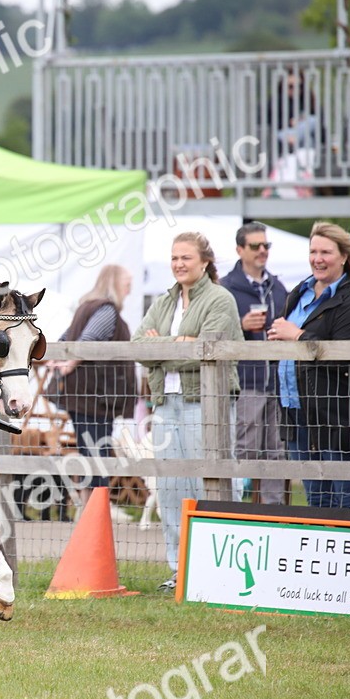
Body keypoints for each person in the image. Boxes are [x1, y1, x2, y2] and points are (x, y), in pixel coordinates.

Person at [133, 232, 241, 591]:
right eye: (175, 257)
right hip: (166, 403)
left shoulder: (220, 299)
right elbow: (137, 345)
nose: (179, 264)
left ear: (205, 262)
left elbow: (207, 350)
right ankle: (180, 570)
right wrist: (178, 344)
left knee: (211, 482)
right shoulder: (164, 301)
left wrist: (162, 345)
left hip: (206, 404)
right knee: (170, 487)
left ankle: (222, 567)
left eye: (186, 258)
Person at [268, 222, 350, 510]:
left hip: (334, 413)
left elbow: (347, 356)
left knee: (348, 493)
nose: (317, 258)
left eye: (326, 252)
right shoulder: (298, 293)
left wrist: (297, 336)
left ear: (344, 257)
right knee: (316, 496)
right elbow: (284, 336)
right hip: (295, 408)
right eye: (313, 251)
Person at [49, 265, 135, 515]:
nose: (129, 288)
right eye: (127, 283)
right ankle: (95, 513)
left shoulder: (86, 306)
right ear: (115, 283)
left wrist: (60, 358)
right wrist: (67, 364)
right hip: (95, 397)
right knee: (97, 456)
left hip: (84, 396)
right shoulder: (106, 309)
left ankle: (88, 512)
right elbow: (87, 341)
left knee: (90, 454)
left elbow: (67, 337)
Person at [221, 222, 290, 505]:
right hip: (245, 382)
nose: (262, 251)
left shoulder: (278, 287)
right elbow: (212, 336)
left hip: (275, 381)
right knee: (244, 451)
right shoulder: (225, 289)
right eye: (255, 246)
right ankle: (236, 511)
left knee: (276, 452)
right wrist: (240, 324)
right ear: (240, 250)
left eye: (266, 245)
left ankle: (273, 515)